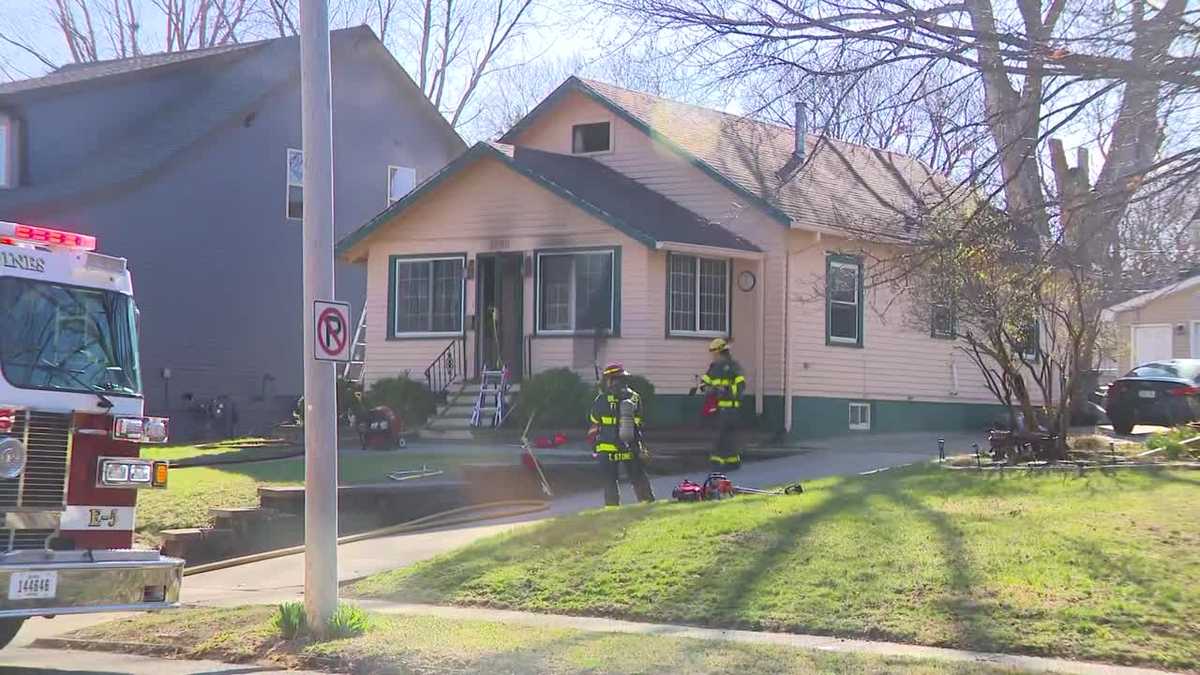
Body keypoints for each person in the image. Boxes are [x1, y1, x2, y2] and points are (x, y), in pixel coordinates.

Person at [588, 362, 655, 506]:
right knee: (638, 479)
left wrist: (593, 445)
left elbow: (594, 423)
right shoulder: (635, 397)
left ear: (609, 380)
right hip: (630, 446)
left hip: (607, 448)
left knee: (610, 482)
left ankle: (612, 510)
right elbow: (639, 422)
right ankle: (647, 505)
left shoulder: (600, 399)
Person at [702, 338, 746, 471]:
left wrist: (726, 390)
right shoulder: (714, 368)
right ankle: (732, 461)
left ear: (721, 352)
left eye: (715, 354)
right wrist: (706, 388)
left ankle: (719, 461)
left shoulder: (733, 367)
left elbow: (740, 386)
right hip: (718, 407)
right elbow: (704, 383)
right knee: (724, 435)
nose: (713, 356)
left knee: (724, 435)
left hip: (731, 407)